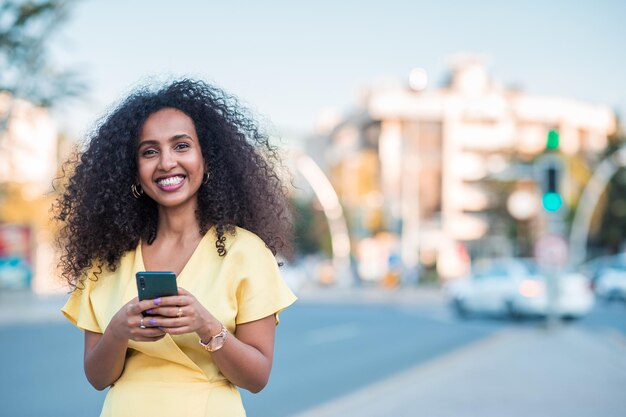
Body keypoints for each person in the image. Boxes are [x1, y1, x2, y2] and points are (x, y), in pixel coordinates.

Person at [55, 79, 297, 417]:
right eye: (149, 151)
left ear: (207, 158)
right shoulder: (107, 260)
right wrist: (119, 330)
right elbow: (97, 377)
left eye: (181, 146)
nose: (167, 162)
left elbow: (256, 378)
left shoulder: (246, 252)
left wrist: (207, 326)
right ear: (133, 169)